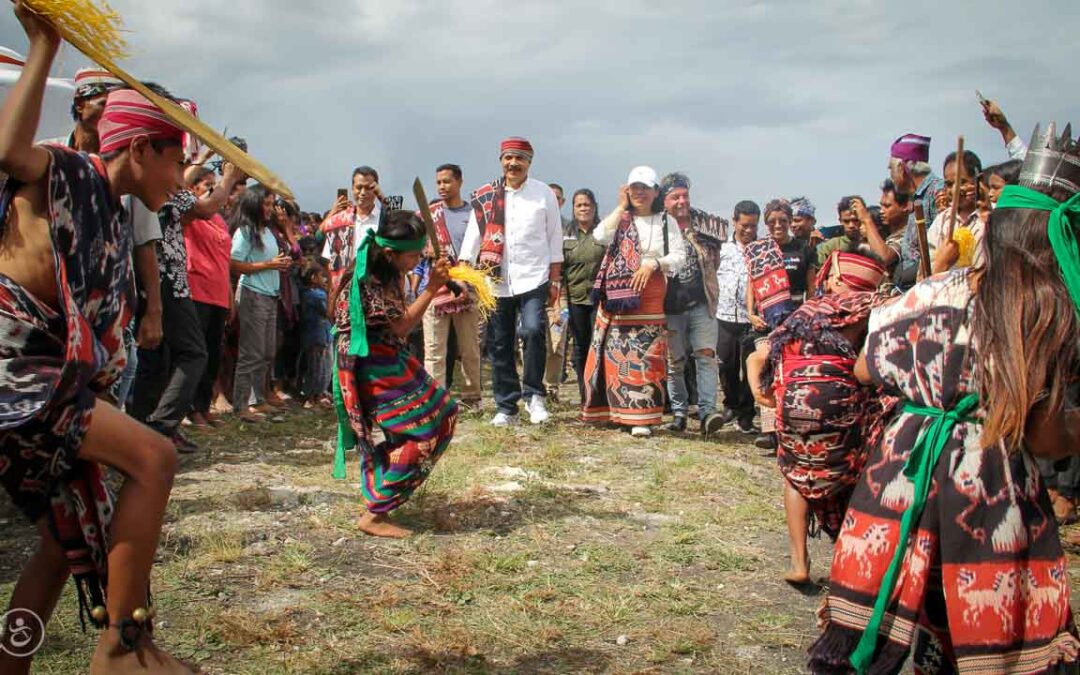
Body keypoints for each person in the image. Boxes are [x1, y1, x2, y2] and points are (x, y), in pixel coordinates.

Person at [808, 122, 1080, 674]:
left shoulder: (930, 289)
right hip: (985, 493)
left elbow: (864, 367)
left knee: (918, 620)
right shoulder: (1041, 314)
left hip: (899, 482)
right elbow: (1045, 438)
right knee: (972, 638)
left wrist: (925, 383)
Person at [0, 5, 191, 672]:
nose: (180, 179)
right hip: (16, 373)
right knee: (155, 457)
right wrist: (43, 46)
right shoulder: (64, 170)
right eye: (176, 161)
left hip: (52, 382)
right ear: (140, 149)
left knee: (63, 543)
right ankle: (121, 648)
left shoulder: (116, 218)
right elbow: (8, 151)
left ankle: (10, 660)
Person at [747, 252, 889, 585]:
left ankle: (799, 561)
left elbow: (758, 356)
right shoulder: (875, 310)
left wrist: (759, 392)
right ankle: (851, 559)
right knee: (862, 467)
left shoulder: (804, 312)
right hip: (838, 411)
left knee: (794, 475)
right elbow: (863, 372)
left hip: (791, 407)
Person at [332, 210, 458, 538]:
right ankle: (375, 513)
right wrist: (432, 288)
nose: (418, 259)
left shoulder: (387, 268)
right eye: (414, 255)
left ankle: (385, 484)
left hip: (392, 359)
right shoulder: (366, 281)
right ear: (390, 254)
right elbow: (401, 327)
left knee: (445, 412)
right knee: (422, 435)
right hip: (373, 367)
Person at [131, 143, 245, 450]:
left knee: (156, 360)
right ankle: (160, 425)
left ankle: (143, 427)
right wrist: (229, 178)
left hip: (154, 277)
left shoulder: (155, 185)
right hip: (169, 279)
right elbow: (206, 207)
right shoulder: (168, 190)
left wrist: (204, 159)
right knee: (193, 353)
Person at [458, 137, 563, 426]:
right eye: (508, 158)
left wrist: (554, 282)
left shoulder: (544, 194)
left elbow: (555, 239)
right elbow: (474, 235)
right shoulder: (486, 196)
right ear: (501, 160)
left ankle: (534, 396)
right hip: (496, 280)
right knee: (499, 343)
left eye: (520, 158)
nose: (513, 163)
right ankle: (507, 407)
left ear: (529, 162)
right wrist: (465, 266)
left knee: (531, 331)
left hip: (534, 276)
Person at [582, 166, 686, 437]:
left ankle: (643, 417)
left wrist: (652, 263)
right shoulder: (621, 218)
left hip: (651, 292)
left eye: (645, 188)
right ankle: (617, 412)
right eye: (634, 188)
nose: (639, 193)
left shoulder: (666, 221)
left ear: (655, 192)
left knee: (648, 353)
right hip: (619, 296)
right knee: (618, 350)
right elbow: (599, 236)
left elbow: (679, 256)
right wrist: (620, 208)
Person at [659, 172, 727, 436]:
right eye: (675, 196)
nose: (682, 201)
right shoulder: (657, 226)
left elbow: (716, 258)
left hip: (702, 302)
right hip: (670, 306)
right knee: (675, 361)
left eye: (685, 195)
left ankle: (708, 411)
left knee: (706, 356)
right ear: (665, 199)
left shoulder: (705, 224)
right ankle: (679, 412)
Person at [185, 160, 245, 427]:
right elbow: (185, 174)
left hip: (219, 293)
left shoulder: (219, 219)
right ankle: (191, 410)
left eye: (215, 185)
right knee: (195, 354)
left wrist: (230, 297)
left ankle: (203, 406)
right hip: (196, 290)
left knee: (212, 354)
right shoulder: (190, 212)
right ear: (192, 189)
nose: (214, 191)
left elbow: (224, 261)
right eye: (208, 186)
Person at [419, 163, 482, 408]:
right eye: (438, 182)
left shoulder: (474, 215)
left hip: (467, 285)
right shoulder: (429, 214)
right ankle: (435, 400)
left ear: (459, 182)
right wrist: (427, 250)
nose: (442, 187)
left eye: (447, 181)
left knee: (469, 348)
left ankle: (472, 397)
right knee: (434, 348)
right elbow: (416, 246)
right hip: (435, 287)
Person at [230, 185, 290, 422]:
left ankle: (258, 400)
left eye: (271, 204)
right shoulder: (245, 231)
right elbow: (233, 264)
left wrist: (279, 265)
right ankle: (241, 405)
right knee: (250, 353)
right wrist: (269, 266)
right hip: (253, 295)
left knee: (266, 352)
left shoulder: (267, 231)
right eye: (266, 204)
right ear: (255, 204)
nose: (269, 209)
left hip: (270, 295)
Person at [715, 200, 760, 435]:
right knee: (726, 364)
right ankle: (730, 405)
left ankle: (746, 414)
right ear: (734, 222)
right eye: (744, 225)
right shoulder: (721, 247)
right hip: (723, 314)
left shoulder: (762, 249)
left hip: (750, 318)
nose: (749, 230)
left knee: (750, 368)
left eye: (753, 225)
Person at [560, 188, 606, 404]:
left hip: (599, 300)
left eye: (587, 204)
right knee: (580, 347)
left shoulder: (604, 232)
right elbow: (559, 268)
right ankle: (585, 395)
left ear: (594, 207)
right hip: (575, 299)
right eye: (579, 205)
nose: (583, 208)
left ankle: (601, 395)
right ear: (573, 209)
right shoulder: (565, 233)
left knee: (600, 347)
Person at [888, 133, 945, 290]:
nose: (891, 176)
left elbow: (942, 247)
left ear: (902, 168)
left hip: (929, 287)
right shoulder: (917, 196)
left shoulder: (938, 192)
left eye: (891, 169)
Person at [320, 165, 384, 289]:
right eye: (359, 188)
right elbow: (330, 266)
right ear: (352, 189)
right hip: (343, 293)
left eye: (369, 188)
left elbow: (399, 215)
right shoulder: (338, 222)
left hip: (377, 290)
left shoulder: (385, 220)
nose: (363, 193)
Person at [927, 150, 985, 273]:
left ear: (978, 181)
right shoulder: (941, 222)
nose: (954, 190)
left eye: (962, 182)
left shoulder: (989, 218)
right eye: (949, 184)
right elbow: (926, 270)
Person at [858, 179, 912, 279]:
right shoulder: (887, 232)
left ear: (905, 206)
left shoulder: (909, 233)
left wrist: (867, 220)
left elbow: (884, 257)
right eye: (881, 205)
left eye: (887, 206)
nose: (881, 211)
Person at [298, 261, 332, 407]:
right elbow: (328, 311)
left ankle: (316, 395)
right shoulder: (317, 295)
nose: (323, 279)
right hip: (318, 335)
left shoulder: (304, 293)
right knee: (318, 367)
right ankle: (312, 396)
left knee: (317, 366)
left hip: (314, 335)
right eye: (320, 276)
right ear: (313, 278)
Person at [816, 196, 872, 266]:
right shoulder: (831, 246)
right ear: (840, 221)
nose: (851, 225)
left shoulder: (873, 244)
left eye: (855, 220)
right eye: (846, 221)